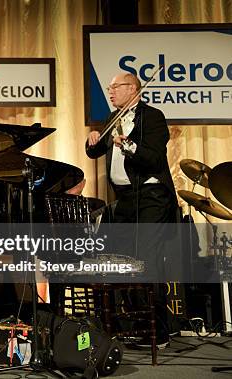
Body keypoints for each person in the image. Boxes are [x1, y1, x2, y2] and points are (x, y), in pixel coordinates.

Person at [85, 71, 177, 348]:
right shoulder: (111, 119)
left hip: (151, 197)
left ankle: (158, 332)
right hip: (125, 200)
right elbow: (93, 152)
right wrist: (93, 137)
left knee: (146, 260)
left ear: (133, 89)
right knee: (122, 260)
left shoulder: (153, 117)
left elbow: (153, 158)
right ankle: (137, 323)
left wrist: (125, 143)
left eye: (115, 87)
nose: (110, 92)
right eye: (109, 87)